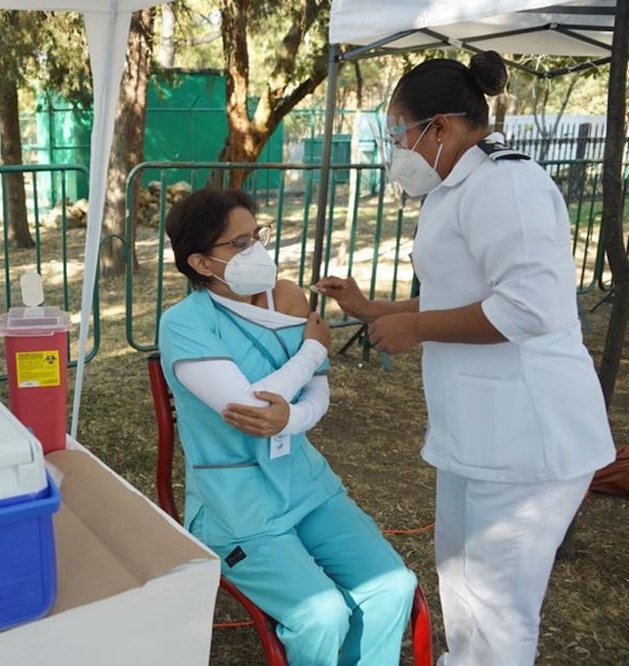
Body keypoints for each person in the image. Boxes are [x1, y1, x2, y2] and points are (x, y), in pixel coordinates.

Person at [315, 51, 616, 666]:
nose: (397, 146)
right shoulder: (457, 187)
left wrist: (417, 327)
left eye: (401, 131)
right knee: (462, 579)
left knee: (500, 605)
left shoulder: (508, 183)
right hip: (477, 433)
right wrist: (375, 308)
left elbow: (528, 309)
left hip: (530, 441)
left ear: (441, 127)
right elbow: (460, 295)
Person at [159, 188, 417, 665]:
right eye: (237, 243)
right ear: (200, 263)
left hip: (305, 484)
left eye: (256, 234)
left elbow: (315, 391)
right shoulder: (184, 324)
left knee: (394, 585)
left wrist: (293, 416)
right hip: (236, 506)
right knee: (321, 614)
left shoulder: (289, 296)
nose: (256, 249)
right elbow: (251, 408)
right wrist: (313, 350)